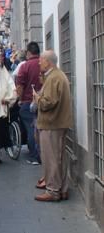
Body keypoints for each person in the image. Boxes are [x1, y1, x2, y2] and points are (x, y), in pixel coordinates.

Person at [33, 51, 73, 202]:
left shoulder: (53, 77)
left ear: (48, 62)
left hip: (52, 124)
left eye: (41, 60)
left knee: (52, 159)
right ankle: (62, 189)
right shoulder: (58, 75)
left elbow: (48, 102)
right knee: (58, 158)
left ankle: (53, 191)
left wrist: (37, 99)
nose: (39, 63)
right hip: (58, 123)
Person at [16, 41, 42, 164]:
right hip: (43, 102)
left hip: (28, 101)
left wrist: (20, 100)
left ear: (29, 53)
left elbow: (20, 86)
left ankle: (34, 156)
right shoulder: (43, 63)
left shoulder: (25, 66)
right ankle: (43, 155)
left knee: (32, 129)